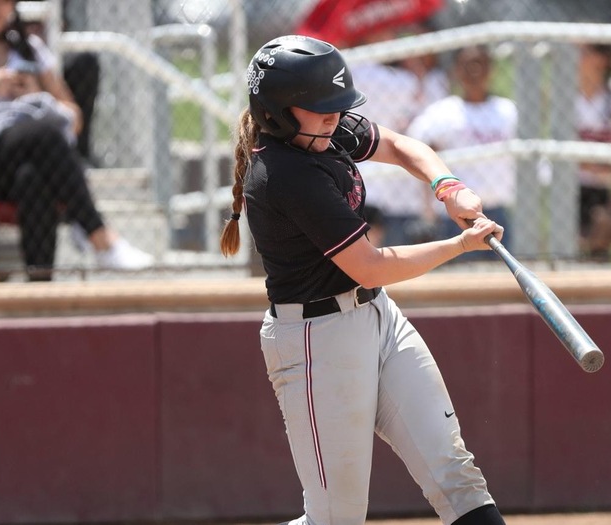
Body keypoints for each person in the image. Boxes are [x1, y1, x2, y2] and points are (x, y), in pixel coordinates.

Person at [221, 35, 507, 525]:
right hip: (316, 340)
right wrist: (460, 246)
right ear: (278, 113)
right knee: (336, 519)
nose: (335, 118)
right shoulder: (283, 173)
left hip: (378, 318)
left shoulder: (321, 130)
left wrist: (448, 186)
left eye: (336, 107)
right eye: (321, 109)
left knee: (456, 477)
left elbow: (398, 144)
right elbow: (370, 264)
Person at [0, 0, 153, 280]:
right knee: (45, 132)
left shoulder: (28, 47)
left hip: (25, 160)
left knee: (34, 177)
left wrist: (35, 95)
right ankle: (98, 235)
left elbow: (73, 118)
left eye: (7, 4)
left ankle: (40, 287)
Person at [406, 45, 518, 258]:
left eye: (480, 65)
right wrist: (427, 212)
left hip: (498, 211)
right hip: (456, 215)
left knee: (501, 281)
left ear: (491, 70)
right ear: (456, 71)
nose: (474, 72)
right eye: (467, 66)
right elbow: (420, 158)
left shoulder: (507, 111)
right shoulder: (442, 112)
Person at [350, 24, 450, 248]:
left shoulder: (431, 80)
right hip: (379, 182)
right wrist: (417, 74)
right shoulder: (374, 72)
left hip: (411, 186)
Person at [575, 42, 611, 262]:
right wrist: (597, 163)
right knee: (569, 246)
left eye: (584, 51)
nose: (576, 56)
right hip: (570, 185)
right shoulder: (566, 92)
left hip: (603, 186)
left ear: (602, 59)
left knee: (604, 233)